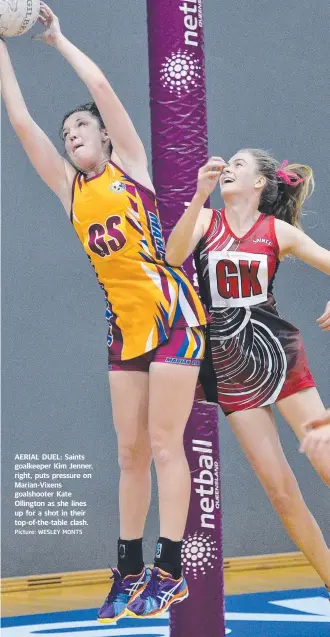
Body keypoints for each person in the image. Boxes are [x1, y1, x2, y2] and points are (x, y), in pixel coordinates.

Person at [0, 2, 208, 622]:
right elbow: (20, 121)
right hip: (125, 327)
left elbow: (101, 88)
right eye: (68, 136)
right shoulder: (71, 190)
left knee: (167, 445)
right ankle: (128, 568)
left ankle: (169, 572)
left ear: (107, 138)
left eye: (81, 131)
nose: (71, 137)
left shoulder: (132, 168)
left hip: (172, 316)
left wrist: (59, 42)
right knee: (129, 453)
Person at [166, 150, 330, 595]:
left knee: (322, 456)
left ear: (260, 182)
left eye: (240, 163)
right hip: (228, 363)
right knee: (280, 492)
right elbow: (172, 254)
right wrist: (198, 194)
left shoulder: (277, 231)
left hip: (277, 348)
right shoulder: (206, 220)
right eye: (228, 163)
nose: (229, 168)